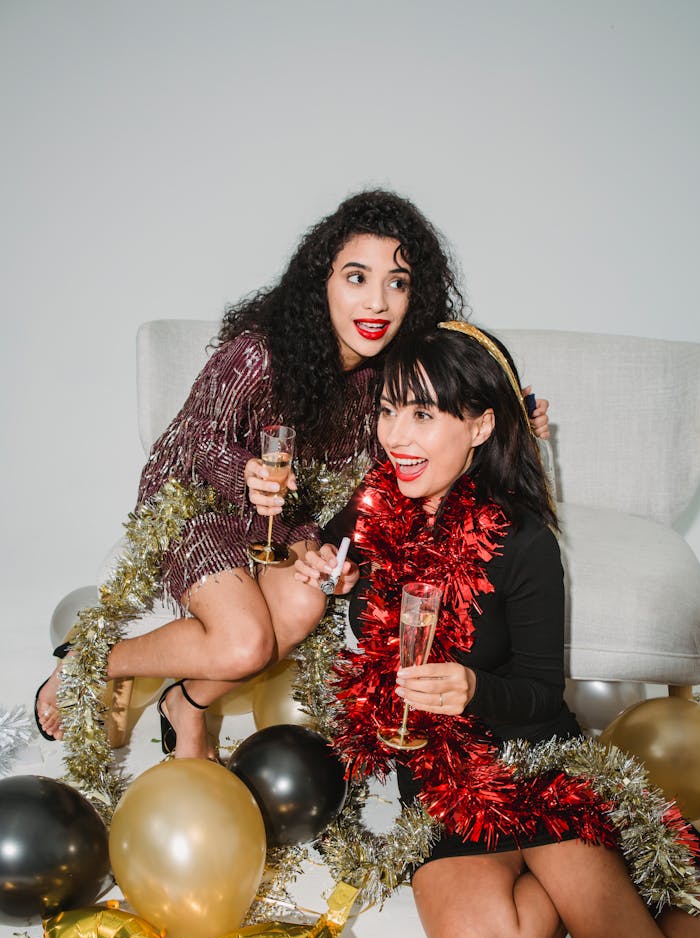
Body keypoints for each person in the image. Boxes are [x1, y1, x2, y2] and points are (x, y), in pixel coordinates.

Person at [294, 321, 700, 938]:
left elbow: (543, 691)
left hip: (532, 758)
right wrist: (320, 561)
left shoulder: (525, 539)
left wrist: (473, 688)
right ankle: (570, 882)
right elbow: (320, 552)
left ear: (478, 426)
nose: (396, 435)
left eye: (422, 413)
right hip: (440, 772)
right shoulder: (375, 503)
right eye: (387, 409)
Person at [33, 190, 550, 759]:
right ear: (321, 282)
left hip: (289, 517)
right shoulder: (259, 354)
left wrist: (519, 411)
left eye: (396, 283)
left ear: (415, 293)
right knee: (244, 642)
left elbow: (465, 372)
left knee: (307, 602)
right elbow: (196, 440)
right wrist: (246, 475)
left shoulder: (390, 375)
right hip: (199, 499)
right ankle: (90, 657)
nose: (376, 302)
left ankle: (187, 702)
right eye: (357, 277)